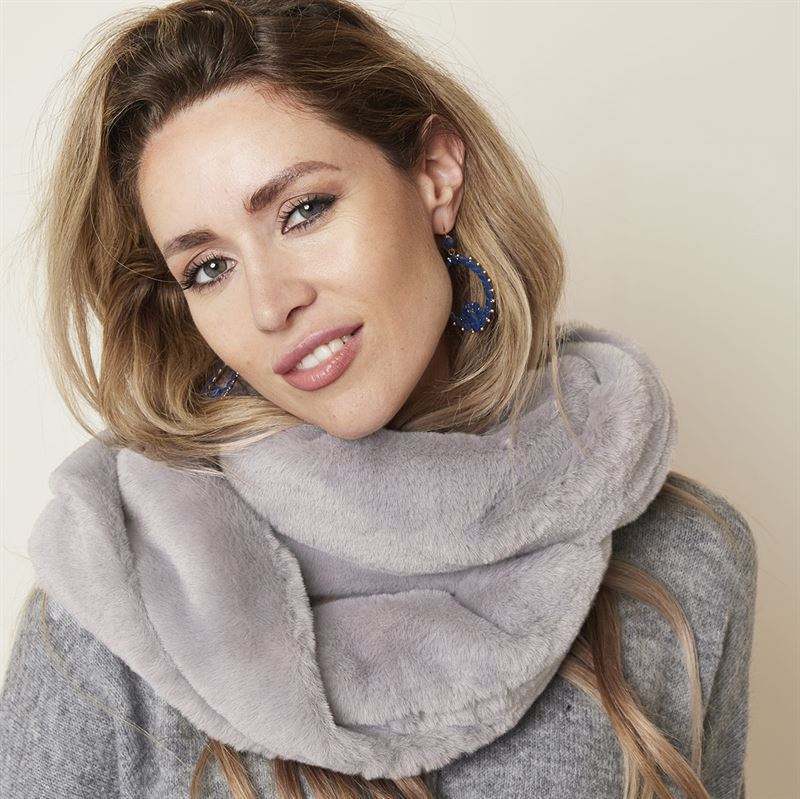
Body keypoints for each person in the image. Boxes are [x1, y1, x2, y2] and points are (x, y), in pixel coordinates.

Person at [0, 1, 757, 798]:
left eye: (303, 210)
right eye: (209, 268)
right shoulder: (121, 598)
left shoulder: (687, 558)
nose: (270, 304)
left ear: (435, 175)